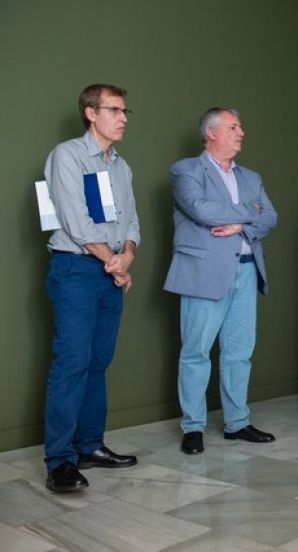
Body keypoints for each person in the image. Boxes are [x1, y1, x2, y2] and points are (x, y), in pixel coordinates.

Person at [42, 83, 140, 492]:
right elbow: (75, 221)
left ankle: (90, 446)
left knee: (98, 362)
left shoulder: (121, 166)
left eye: (124, 111)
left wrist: (126, 257)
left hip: (109, 272)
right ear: (91, 113)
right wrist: (112, 261)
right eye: (114, 110)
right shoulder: (67, 155)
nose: (123, 118)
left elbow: (131, 221)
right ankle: (60, 462)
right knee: (72, 362)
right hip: (76, 270)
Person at [164, 107, 278, 455]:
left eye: (240, 127)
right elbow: (201, 209)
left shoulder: (251, 177)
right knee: (196, 352)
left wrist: (241, 226)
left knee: (239, 352)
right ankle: (192, 427)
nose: (241, 132)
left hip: (247, 269)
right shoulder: (186, 170)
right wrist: (250, 214)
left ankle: (237, 422)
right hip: (204, 272)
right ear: (211, 133)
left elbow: (271, 217)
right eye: (233, 127)